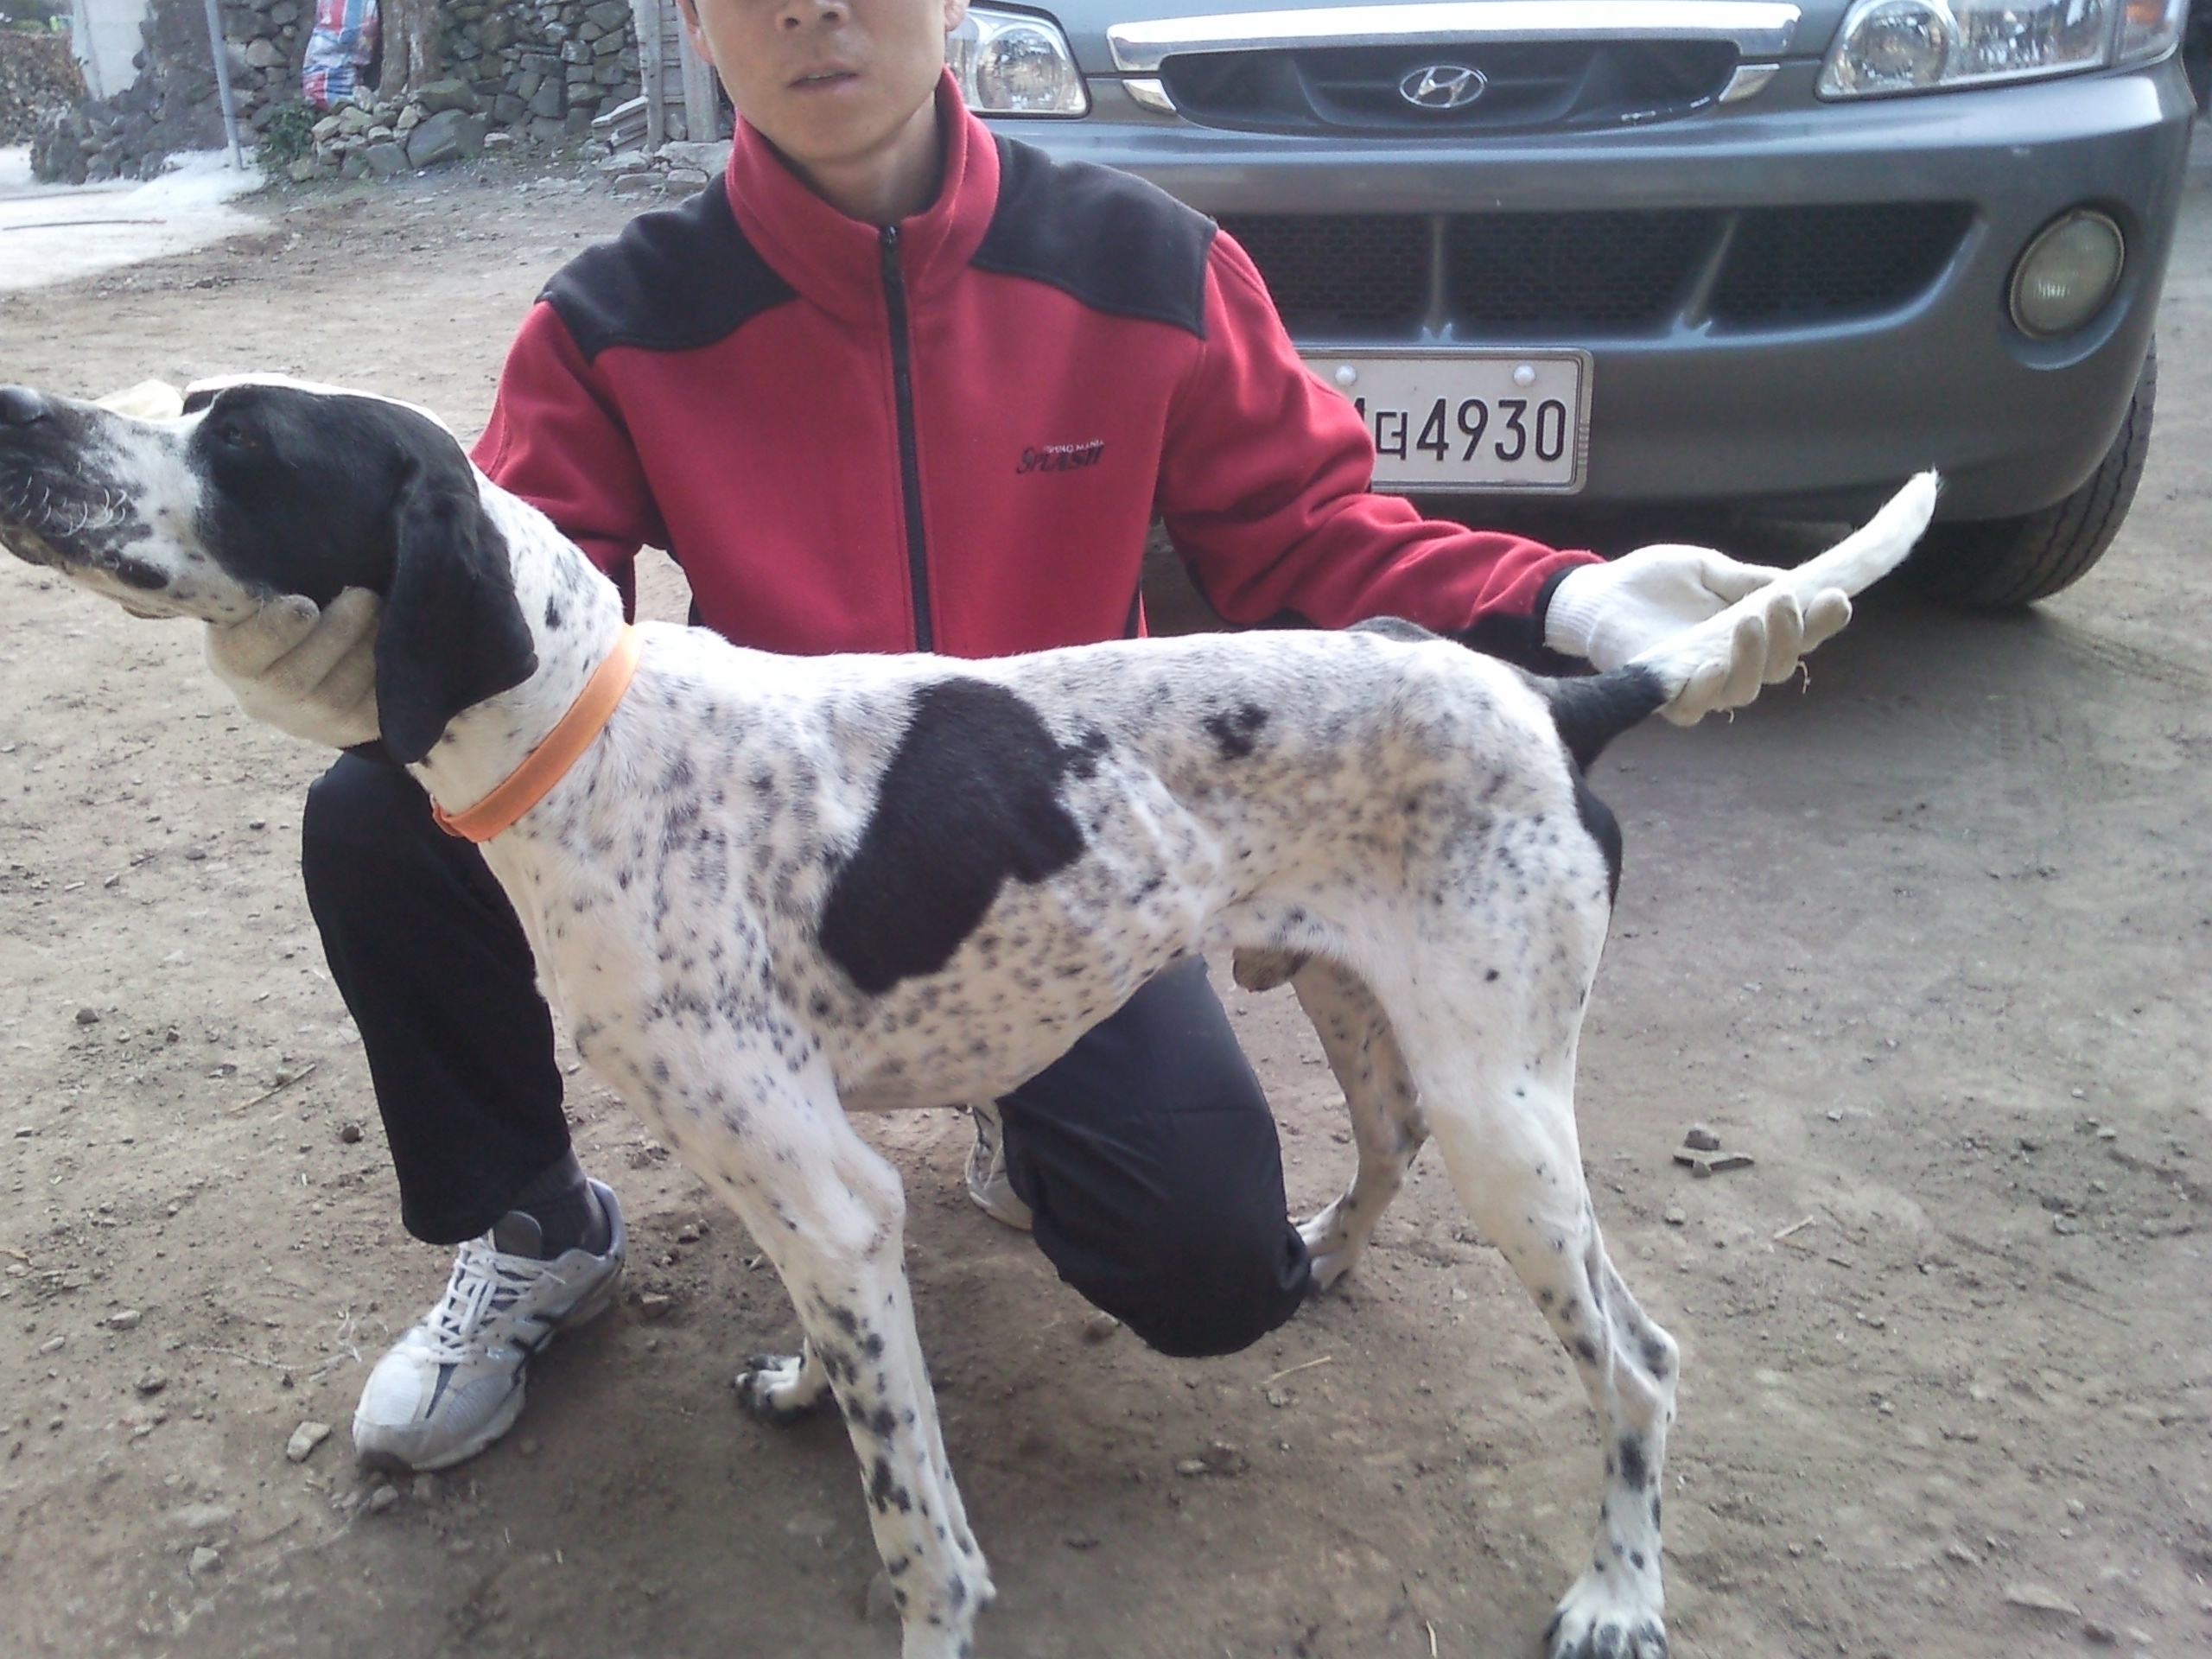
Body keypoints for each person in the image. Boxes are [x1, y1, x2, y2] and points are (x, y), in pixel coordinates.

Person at [203, 0, 1852, 1473]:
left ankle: (1009, 1105)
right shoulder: (611, 318)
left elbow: (1306, 538)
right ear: (695, 21)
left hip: (1051, 865)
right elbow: (519, 618)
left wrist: (1566, 598)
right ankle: (537, 1228)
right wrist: (365, 669)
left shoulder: (1144, 262)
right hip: (789, 868)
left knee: (1211, 1273)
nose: (815, 10)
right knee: (379, 816)